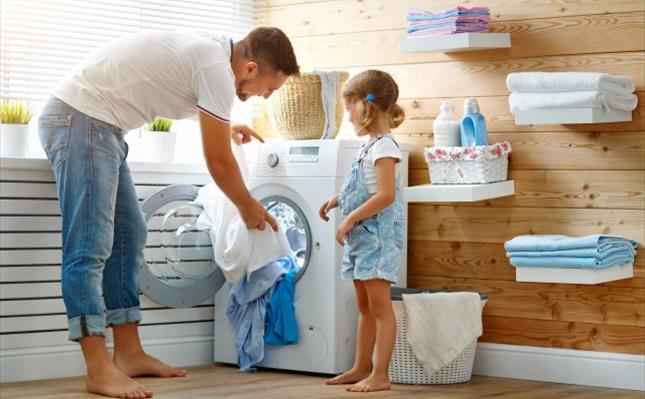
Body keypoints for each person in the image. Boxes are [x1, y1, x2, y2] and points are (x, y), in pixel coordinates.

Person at [38, 27, 299, 398]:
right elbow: (219, 163)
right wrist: (247, 206)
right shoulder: (215, 67)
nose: (265, 96)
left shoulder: (214, 57)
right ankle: (98, 368)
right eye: (269, 89)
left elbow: (174, 86)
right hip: (80, 120)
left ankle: (128, 353)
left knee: (129, 237)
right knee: (89, 247)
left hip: (101, 125)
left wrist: (226, 128)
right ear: (252, 69)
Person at [319, 70, 405, 393]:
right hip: (361, 240)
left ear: (366, 106)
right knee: (365, 306)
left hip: (377, 240)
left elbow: (386, 195)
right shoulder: (369, 146)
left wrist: (350, 218)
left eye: (350, 107)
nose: (349, 115)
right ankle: (360, 367)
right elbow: (364, 187)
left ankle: (380, 374)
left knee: (380, 307)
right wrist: (337, 199)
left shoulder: (385, 148)